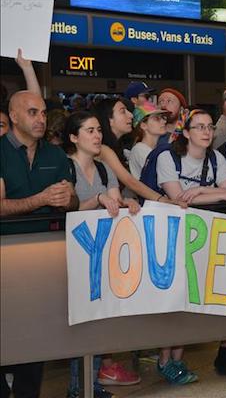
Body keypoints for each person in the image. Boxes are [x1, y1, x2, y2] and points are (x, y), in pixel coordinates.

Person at [154, 109, 226, 383]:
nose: (206, 132)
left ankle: (177, 361)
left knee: (193, 299)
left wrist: (203, 191)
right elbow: (179, 199)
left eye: (209, 127)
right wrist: (215, 193)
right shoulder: (167, 157)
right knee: (174, 299)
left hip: (205, 238)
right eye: (199, 127)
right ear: (186, 132)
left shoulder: (216, 158)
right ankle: (163, 359)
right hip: (172, 236)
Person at [0, 91, 79, 398]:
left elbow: (71, 201)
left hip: (44, 257)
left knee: (36, 335)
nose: (41, 119)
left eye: (44, 113)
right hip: (6, 255)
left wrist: (66, 199)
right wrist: (42, 199)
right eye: (32, 113)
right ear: (14, 116)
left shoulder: (56, 155)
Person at [62, 111, 141, 397]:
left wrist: (128, 203)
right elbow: (65, 208)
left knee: (99, 318)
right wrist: (96, 199)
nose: (97, 136)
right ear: (73, 137)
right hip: (73, 254)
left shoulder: (105, 169)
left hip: (101, 255)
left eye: (98, 130)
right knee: (80, 321)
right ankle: (76, 385)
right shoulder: (65, 167)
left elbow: (115, 200)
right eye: (90, 130)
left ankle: (90, 382)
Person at [93, 98, 175, 204]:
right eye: (123, 111)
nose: (131, 115)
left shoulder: (119, 149)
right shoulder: (103, 149)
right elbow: (130, 181)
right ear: (109, 120)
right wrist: (163, 200)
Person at [129, 102, 169, 180]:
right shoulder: (139, 149)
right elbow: (163, 175)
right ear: (143, 125)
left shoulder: (154, 148)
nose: (164, 121)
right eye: (157, 118)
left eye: (163, 118)